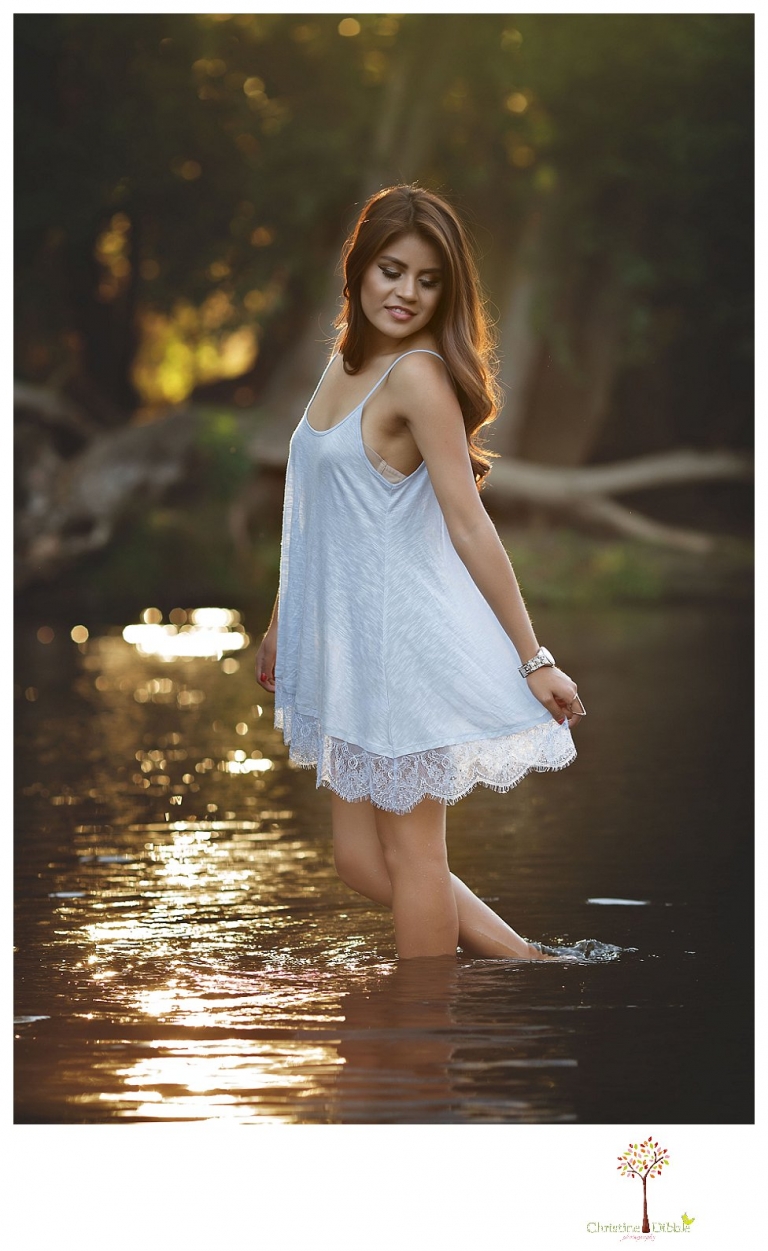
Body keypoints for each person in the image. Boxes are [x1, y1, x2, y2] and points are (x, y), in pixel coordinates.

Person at [255, 185, 584, 962]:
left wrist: (533, 658)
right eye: (392, 270)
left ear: (446, 290)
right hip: (347, 652)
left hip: (401, 645)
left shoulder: (418, 377)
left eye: (428, 280)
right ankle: (528, 963)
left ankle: (423, 1028)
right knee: (360, 861)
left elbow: (470, 523)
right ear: (360, 268)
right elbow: (314, 518)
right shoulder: (343, 364)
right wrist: (280, 624)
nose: (406, 292)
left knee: (413, 857)